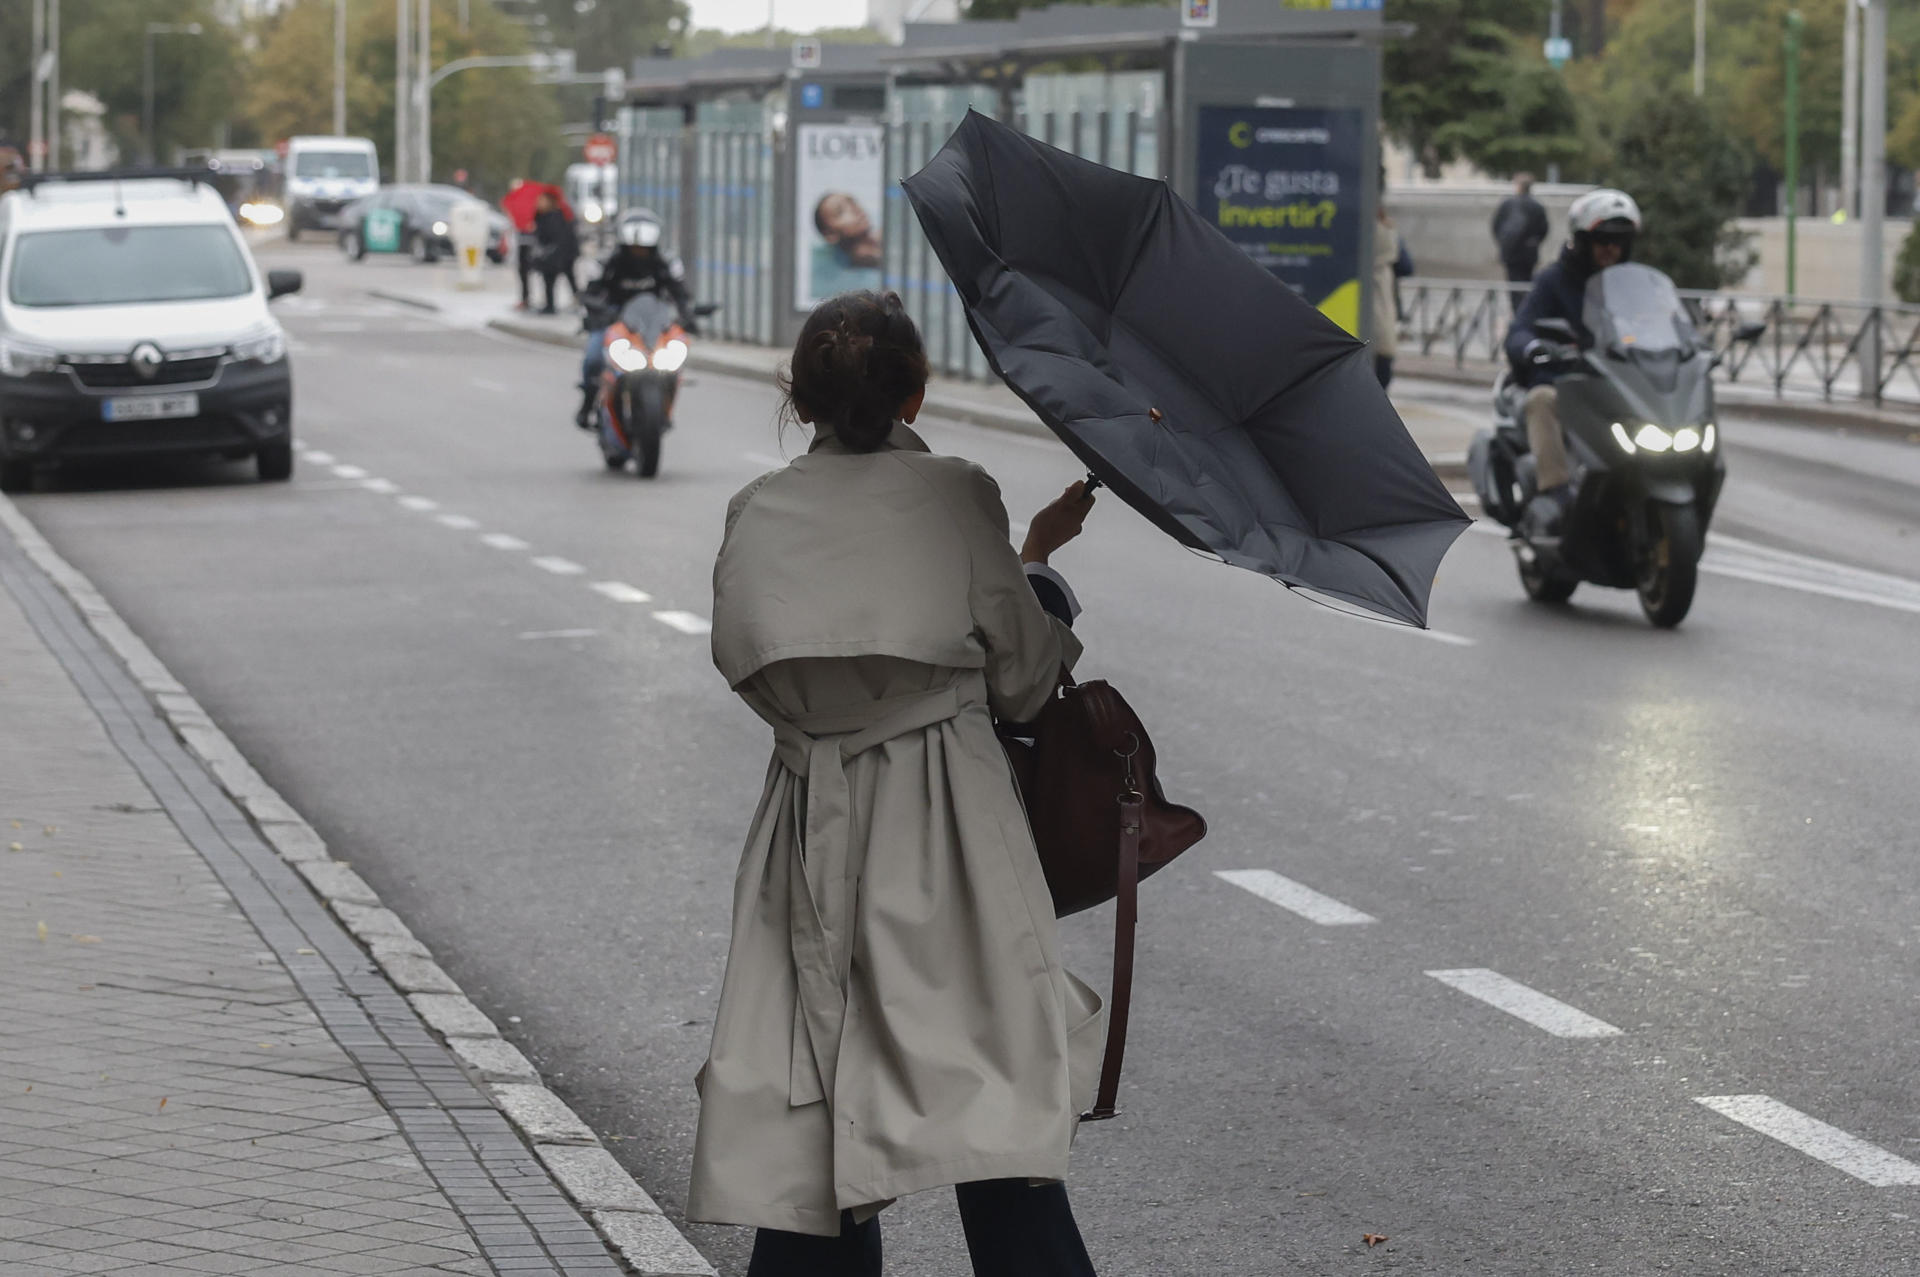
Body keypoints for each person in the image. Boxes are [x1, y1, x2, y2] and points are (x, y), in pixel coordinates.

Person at [694, 289, 1107, 1277]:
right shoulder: (960, 495)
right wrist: (1038, 565)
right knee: (991, 1099)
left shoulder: (757, 510)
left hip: (811, 824)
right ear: (916, 394)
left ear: (802, 398)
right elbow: (1023, 676)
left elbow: (747, 662)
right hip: (948, 830)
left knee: (816, 1111)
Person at [1503, 187, 1643, 536]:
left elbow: (1659, 322)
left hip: (1614, 382)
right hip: (1564, 381)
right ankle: (1557, 495)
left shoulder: (1631, 285)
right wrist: (1534, 346)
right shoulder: (1554, 280)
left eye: (1619, 241)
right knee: (1541, 400)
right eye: (1602, 239)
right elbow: (1518, 330)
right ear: (1583, 240)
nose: (1611, 248)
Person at [574, 208, 694, 429]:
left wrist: (688, 314)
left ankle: (664, 406)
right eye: (634, 246)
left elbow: (681, 294)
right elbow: (589, 294)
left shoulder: (666, 262)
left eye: (644, 246)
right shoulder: (606, 262)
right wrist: (600, 311)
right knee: (592, 359)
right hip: (614, 323)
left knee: (674, 358)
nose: (639, 250)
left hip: (653, 324)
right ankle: (588, 403)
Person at [1491, 173, 1550, 312]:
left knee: (1514, 287)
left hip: (1511, 253)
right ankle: (1525, 312)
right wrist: (1534, 243)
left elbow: (1496, 226)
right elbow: (1544, 229)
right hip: (1529, 253)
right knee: (1526, 285)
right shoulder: (1537, 206)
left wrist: (1503, 243)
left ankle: (1518, 313)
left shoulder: (1507, 204)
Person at [1372, 200, 1413, 389]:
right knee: (1382, 366)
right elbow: (1407, 267)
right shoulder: (1389, 234)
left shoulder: (1347, 231)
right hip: (1383, 306)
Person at [532, 190, 580, 315]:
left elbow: (558, 237)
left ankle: (579, 302)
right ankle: (550, 304)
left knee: (567, 278)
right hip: (553, 255)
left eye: (542, 200)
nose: (539, 203)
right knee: (550, 280)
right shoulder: (540, 216)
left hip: (561, 254)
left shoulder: (556, 216)